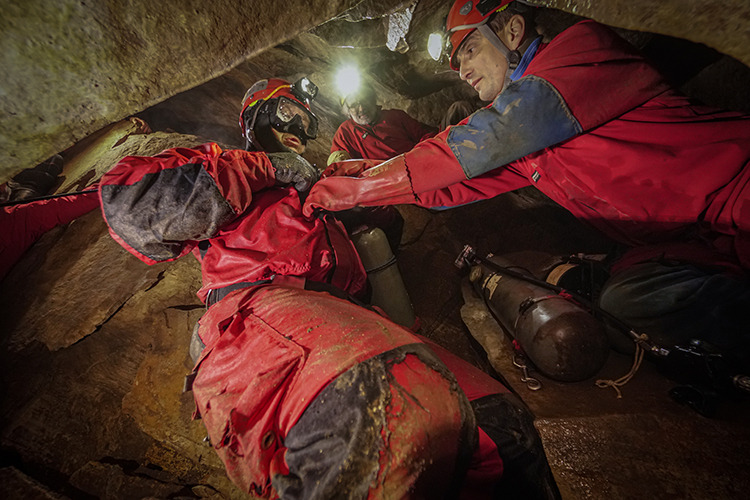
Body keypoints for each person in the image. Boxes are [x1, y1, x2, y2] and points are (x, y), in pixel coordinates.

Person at [98, 77, 560, 498]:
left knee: (501, 427)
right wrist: (268, 167)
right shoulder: (229, 167)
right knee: (391, 409)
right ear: (254, 119)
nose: (300, 125)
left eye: (307, 120)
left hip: (351, 321)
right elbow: (129, 203)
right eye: (286, 114)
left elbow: (389, 223)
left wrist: (359, 188)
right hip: (260, 311)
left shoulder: (314, 190)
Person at [303, 0, 750, 374]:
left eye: (471, 50)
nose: (463, 71)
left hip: (739, 189)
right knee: (621, 302)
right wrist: (365, 174)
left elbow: (478, 143)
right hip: (698, 240)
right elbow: (452, 186)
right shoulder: (524, 139)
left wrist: (363, 190)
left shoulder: (579, 53)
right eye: (458, 62)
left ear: (514, 30)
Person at [328, 82, 437, 165]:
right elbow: (338, 166)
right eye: (354, 105)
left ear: (373, 100)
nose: (361, 108)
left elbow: (424, 135)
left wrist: (421, 155)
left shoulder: (395, 116)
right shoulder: (345, 133)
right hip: (382, 185)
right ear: (347, 112)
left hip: (415, 166)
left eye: (365, 100)